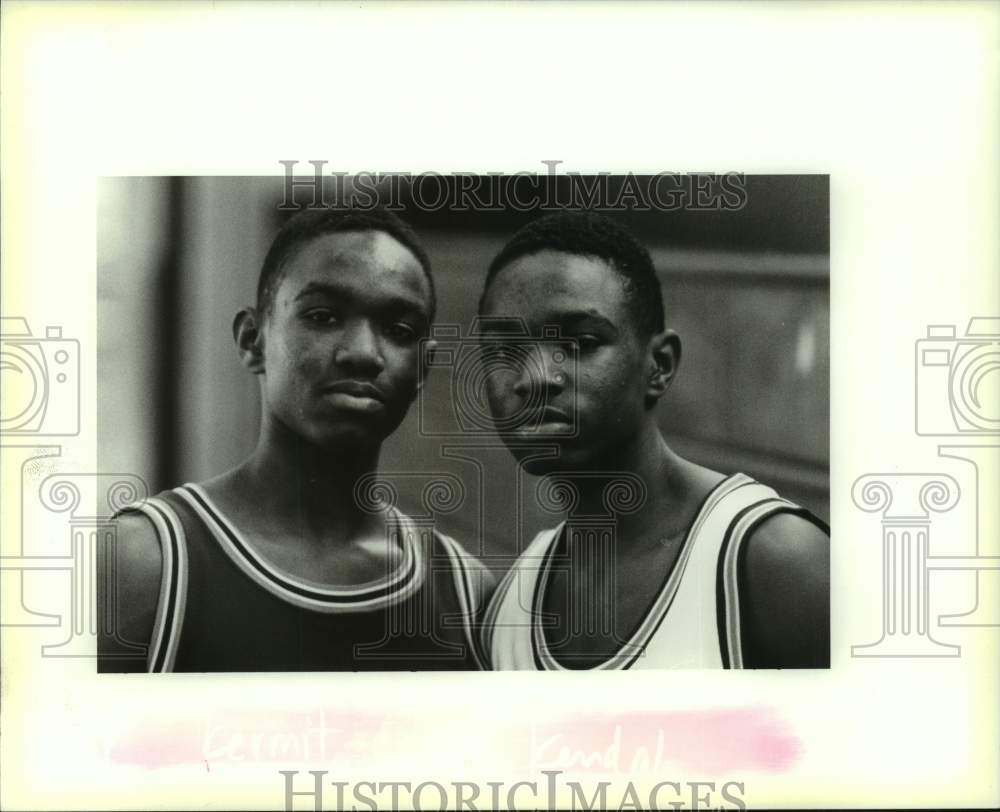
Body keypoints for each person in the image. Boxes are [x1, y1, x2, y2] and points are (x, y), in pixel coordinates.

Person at [98, 207, 493, 672]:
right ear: (252, 340)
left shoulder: (467, 594)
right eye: (324, 316)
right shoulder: (145, 562)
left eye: (398, 330)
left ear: (423, 369)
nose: (363, 353)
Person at [478, 211, 829, 670]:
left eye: (581, 343)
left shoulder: (772, 561)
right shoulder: (508, 607)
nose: (535, 377)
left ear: (659, 366)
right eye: (504, 350)